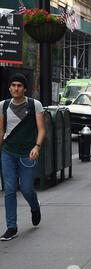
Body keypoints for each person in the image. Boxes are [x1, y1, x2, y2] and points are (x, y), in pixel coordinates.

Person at [0, 73, 45, 241]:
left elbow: (41, 129)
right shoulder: (3, 106)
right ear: (10, 87)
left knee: (26, 188)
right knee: (10, 189)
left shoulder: (35, 105)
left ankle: (35, 207)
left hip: (28, 152)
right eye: (13, 85)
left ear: (24, 88)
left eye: (19, 85)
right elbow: (1, 130)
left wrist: (37, 146)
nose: (15, 88)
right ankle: (11, 227)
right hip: (8, 152)